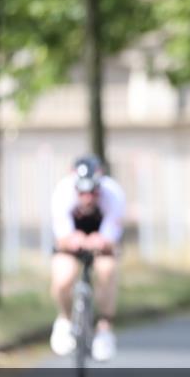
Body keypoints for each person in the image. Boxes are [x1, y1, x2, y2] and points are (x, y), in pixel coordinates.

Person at [49, 154, 126, 361]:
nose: (87, 197)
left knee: (107, 270)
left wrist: (99, 241)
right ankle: (65, 319)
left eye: (92, 191)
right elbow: (62, 238)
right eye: (82, 192)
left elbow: (111, 239)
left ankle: (104, 328)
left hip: (101, 238)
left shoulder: (113, 194)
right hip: (72, 238)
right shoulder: (62, 193)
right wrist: (75, 240)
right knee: (63, 278)